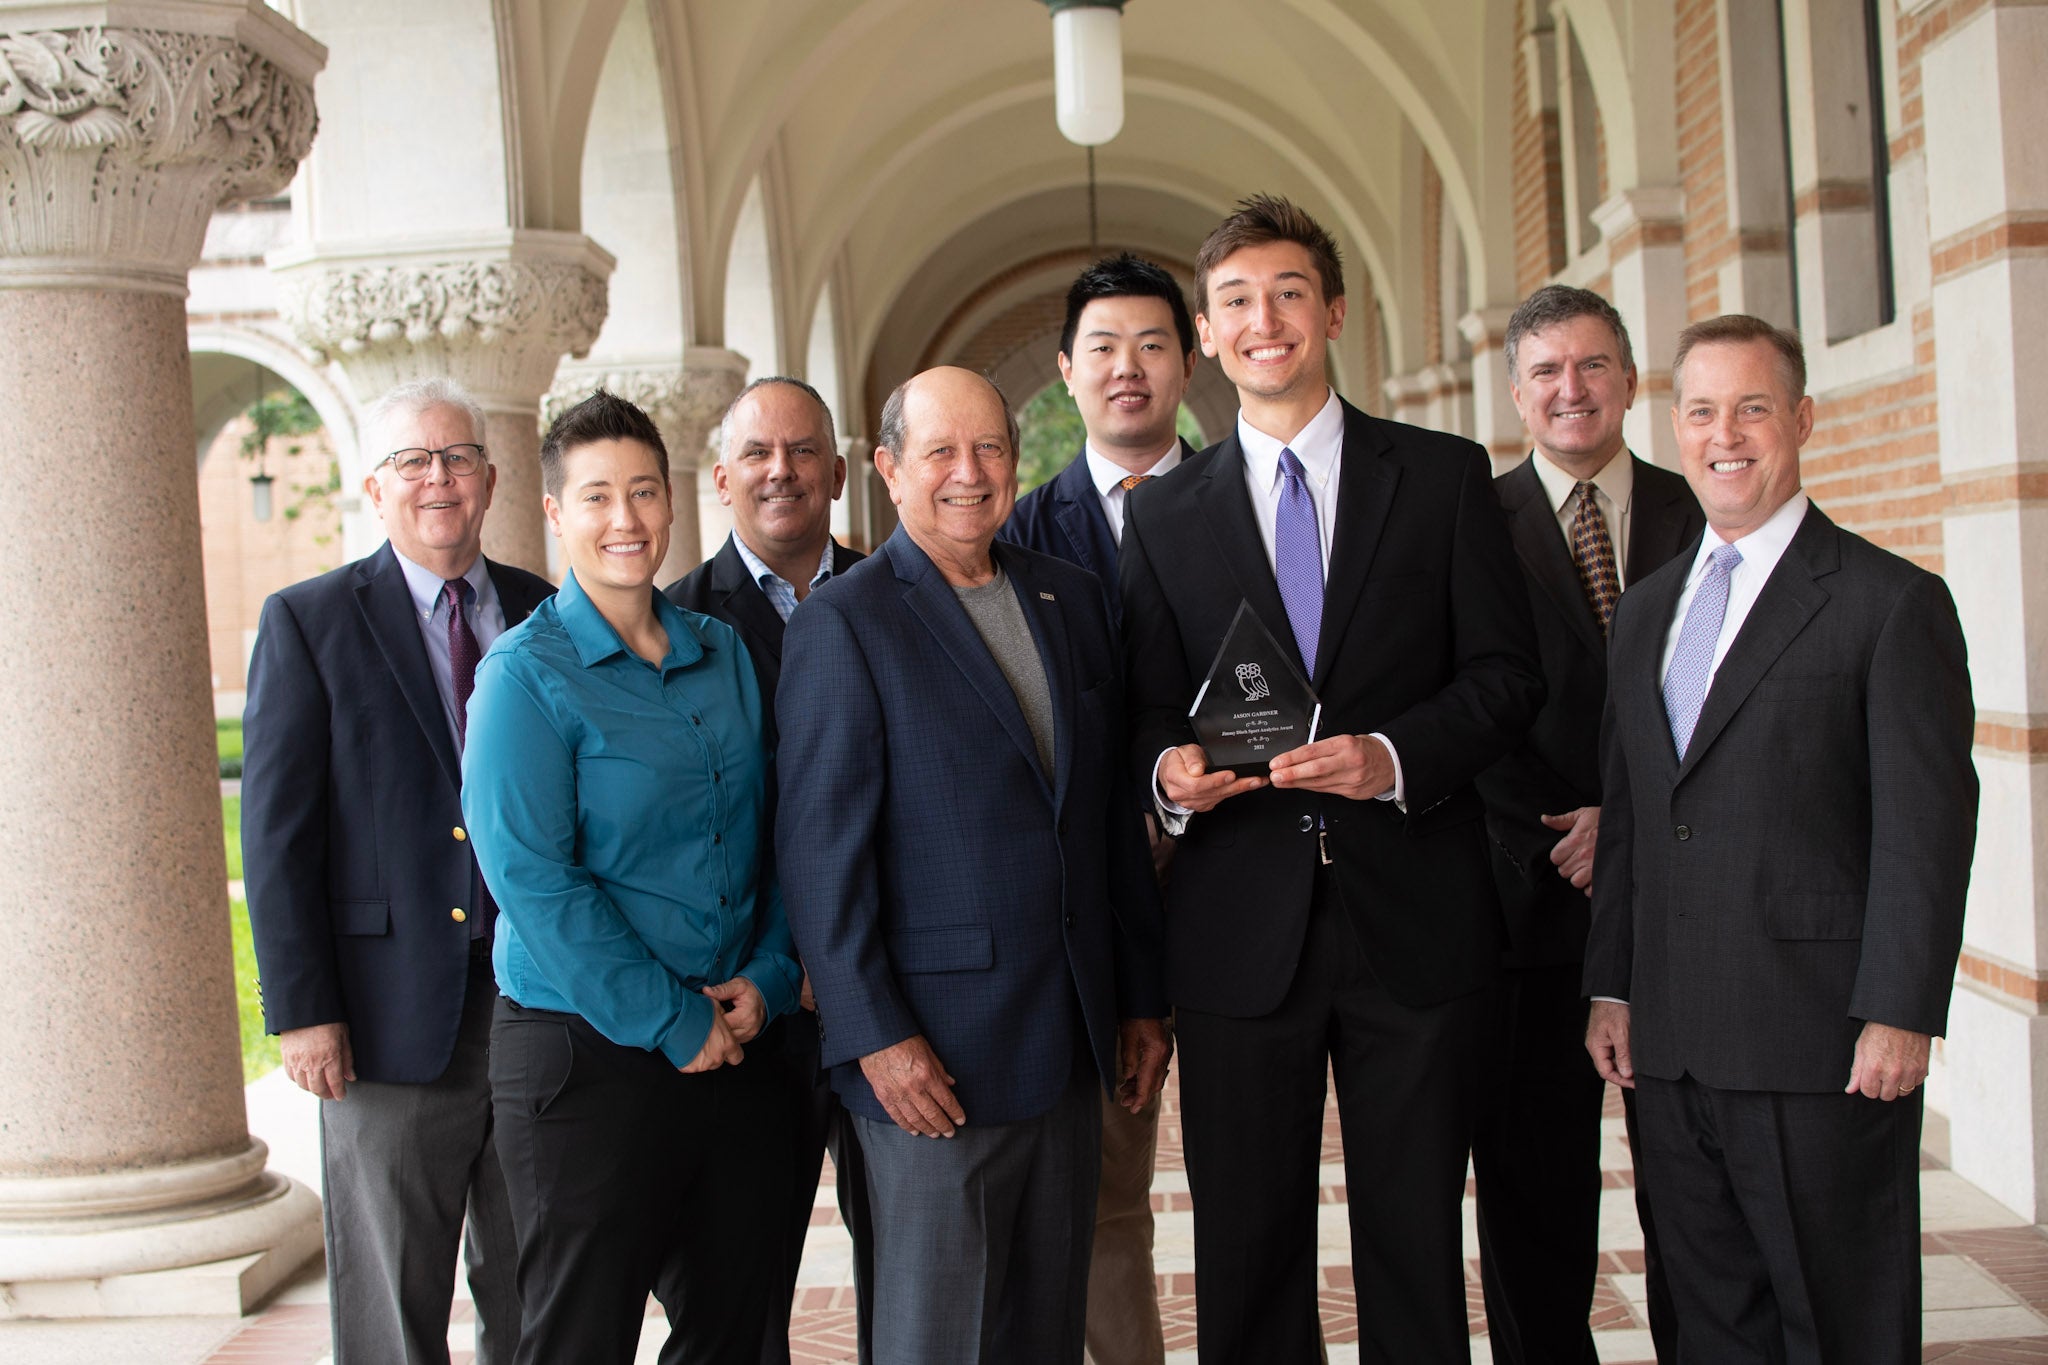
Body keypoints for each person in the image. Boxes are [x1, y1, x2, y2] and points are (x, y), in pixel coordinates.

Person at [1118, 194, 1544, 1363]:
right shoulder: (1162, 519)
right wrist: (1168, 771)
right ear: (1206, 333)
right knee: (1245, 1246)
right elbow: (1147, 705)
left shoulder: (1446, 477)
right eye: (1238, 302)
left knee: (1413, 1236)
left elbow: (1507, 678)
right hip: (1236, 929)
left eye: (1289, 294)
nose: (1265, 321)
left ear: (1334, 313)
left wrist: (1393, 757)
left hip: (1412, 911)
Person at [1583, 315, 1977, 1365]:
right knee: (1707, 1324)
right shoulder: (1648, 610)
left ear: (1799, 419)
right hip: (1667, 1046)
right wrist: (1611, 985)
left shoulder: (1888, 604)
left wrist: (1897, 1014)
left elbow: (1923, 830)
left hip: (1818, 1046)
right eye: (1702, 411)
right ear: (1673, 427)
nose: (1726, 434)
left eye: (1752, 408)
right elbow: (1630, 813)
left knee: (1838, 1324)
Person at [775, 366, 1170, 1365]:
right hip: (931, 1062)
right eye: (939, 451)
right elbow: (821, 853)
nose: (967, 473)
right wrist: (874, 1037)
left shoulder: (1069, 599)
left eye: (988, 447)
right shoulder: (846, 621)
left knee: (1041, 1331)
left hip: (1070, 1040)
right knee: (938, 1338)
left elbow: (1104, 821)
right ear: (888, 470)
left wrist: (1137, 999)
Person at [461, 390, 803, 1364]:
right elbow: (534, 880)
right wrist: (671, 1018)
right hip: (586, 1059)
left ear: (676, 500)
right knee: (578, 1340)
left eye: (644, 492)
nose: (626, 520)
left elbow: (777, 831)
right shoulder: (524, 675)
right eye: (598, 496)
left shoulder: (723, 651)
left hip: (738, 1046)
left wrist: (771, 980)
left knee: (735, 1333)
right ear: (557, 513)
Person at [242, 379, 547, 1365]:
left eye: (456, 457)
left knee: (538, 1283)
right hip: (379, 1021)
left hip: (539, 1007)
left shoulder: (549, 617)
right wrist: (301, 1009)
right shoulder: (308, 622)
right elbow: (278, 833)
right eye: (412, 461)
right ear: (373, 486)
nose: (438, 479)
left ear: (490, 479)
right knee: (389, 1301)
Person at [1471, 285, 1700, 1364]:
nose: (1571, 389)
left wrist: (1634, 823)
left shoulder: (1698, 509)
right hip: (1528, 913)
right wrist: (1560, 835)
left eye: (1593, 365)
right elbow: (1460, 704)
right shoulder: (1469, 522)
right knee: (1532, 1205)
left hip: (1685, 908)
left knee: (1698, 1201)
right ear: (1515, 391)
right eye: (1547, 371)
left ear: (1627, 379)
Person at [997, 251, 1197, 1365]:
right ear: (1066, 375)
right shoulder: (1016, 538)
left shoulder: (1249, 512)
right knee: (1104, 1193)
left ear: (1187, 362)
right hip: (1090, 912)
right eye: (1103, 350)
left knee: (1257, 1179)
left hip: (1240, 889)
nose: (1127, 371)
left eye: (1151, 345)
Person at [663, 375, 872, 1364]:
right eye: (756, 454)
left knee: (919, 1273)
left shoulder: (905, 597)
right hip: (749, 1012)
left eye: (800, 452)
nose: (779, 472)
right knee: (737, 1304)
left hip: (893, 1000)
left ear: (837, 471)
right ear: (720, 478)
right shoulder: (669, 626)